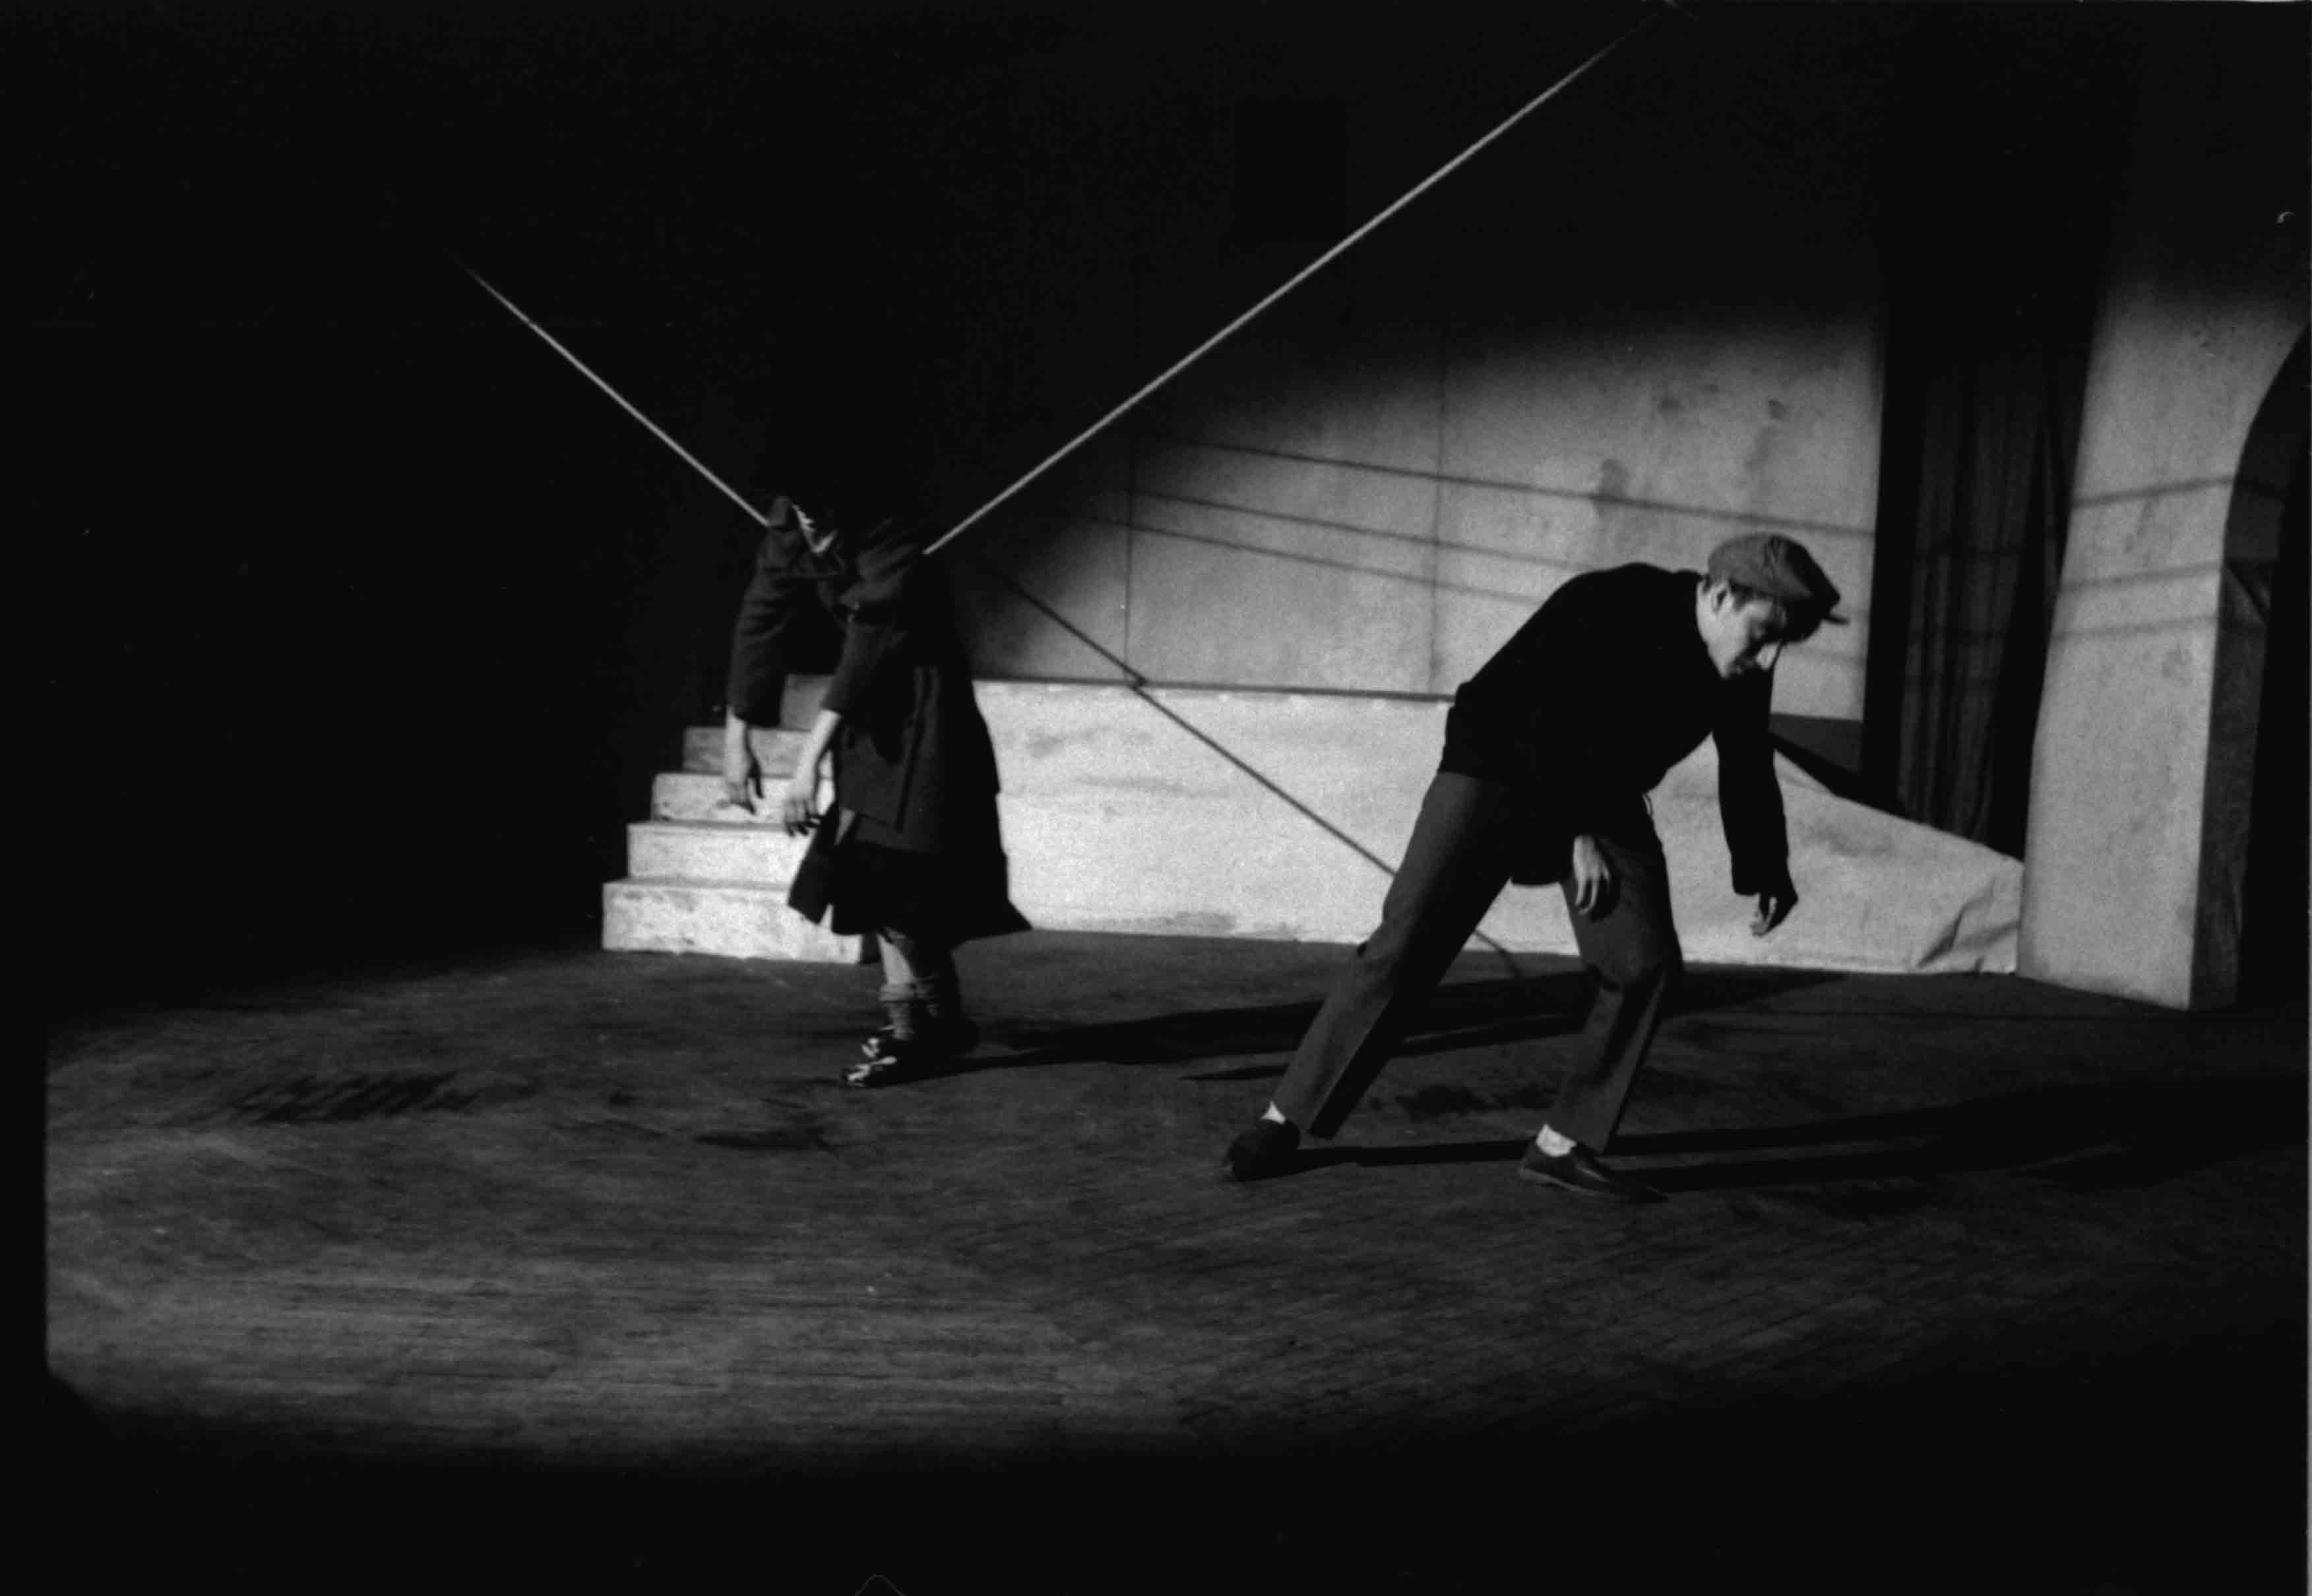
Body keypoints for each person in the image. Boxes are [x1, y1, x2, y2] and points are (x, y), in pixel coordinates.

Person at [1220, 532, 1844, 1200]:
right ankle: (1285, 1117)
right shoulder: (1611, 602)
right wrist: (1570, 829)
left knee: (1644, 963)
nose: (1770, 655)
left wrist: (1764, 866)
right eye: (1764, 634)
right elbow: (1540, 718)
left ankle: (1563, 1142)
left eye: (1785, 643)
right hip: (1498, 763)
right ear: (1719, 595)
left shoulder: (1741, 663)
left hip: (1603, 792)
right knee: (1409, 942)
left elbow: (1745, 758)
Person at [722, 470, 1029, 1086]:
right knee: (867, 872)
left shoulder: (892, 533)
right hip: (867, 718)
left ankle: (932, 1023)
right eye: (798, 504)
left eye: (819, 502)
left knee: (895, 876)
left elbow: (867, 646)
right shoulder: (790, 523)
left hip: (925, 713)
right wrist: (737, 738)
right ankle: (918, 1028)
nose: (807, 516)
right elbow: (761, 621)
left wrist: (806, 764)